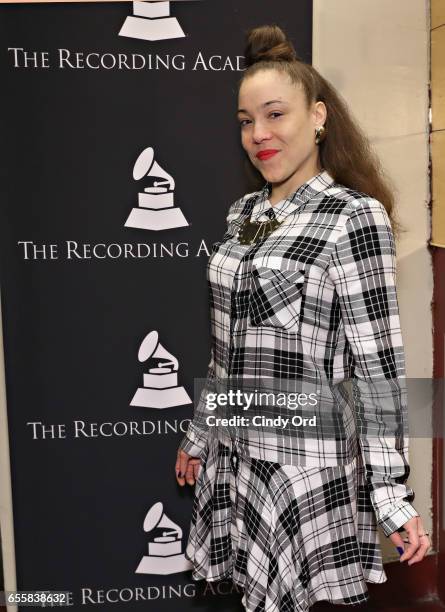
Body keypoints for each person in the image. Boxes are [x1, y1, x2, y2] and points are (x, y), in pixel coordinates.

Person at [175, 24, 431, 612]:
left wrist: (390, 493)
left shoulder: (353, 217)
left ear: (318, 117)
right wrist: (200, 431)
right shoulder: (243, 214)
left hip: (303, 469)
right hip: (237, 457)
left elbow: (378, 366)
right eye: (245, 121)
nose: (259, 135)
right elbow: (226, 347)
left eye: (275, 115)